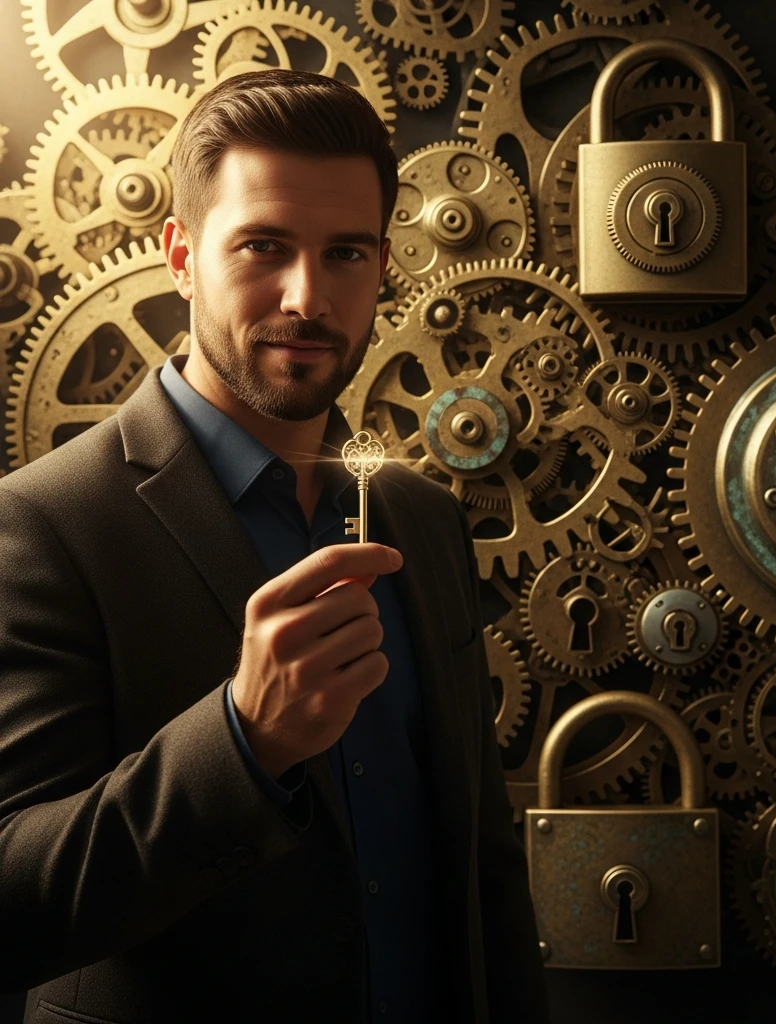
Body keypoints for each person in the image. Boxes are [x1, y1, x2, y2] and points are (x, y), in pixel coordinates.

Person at [0, 68, 550, 1024]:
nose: (308, 296)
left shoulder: (422, 519)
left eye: (345, 254)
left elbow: (481, 864)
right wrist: (245, 741)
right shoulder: (41, 523)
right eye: (263, 246)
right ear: (181, 255)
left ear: (383, 265)